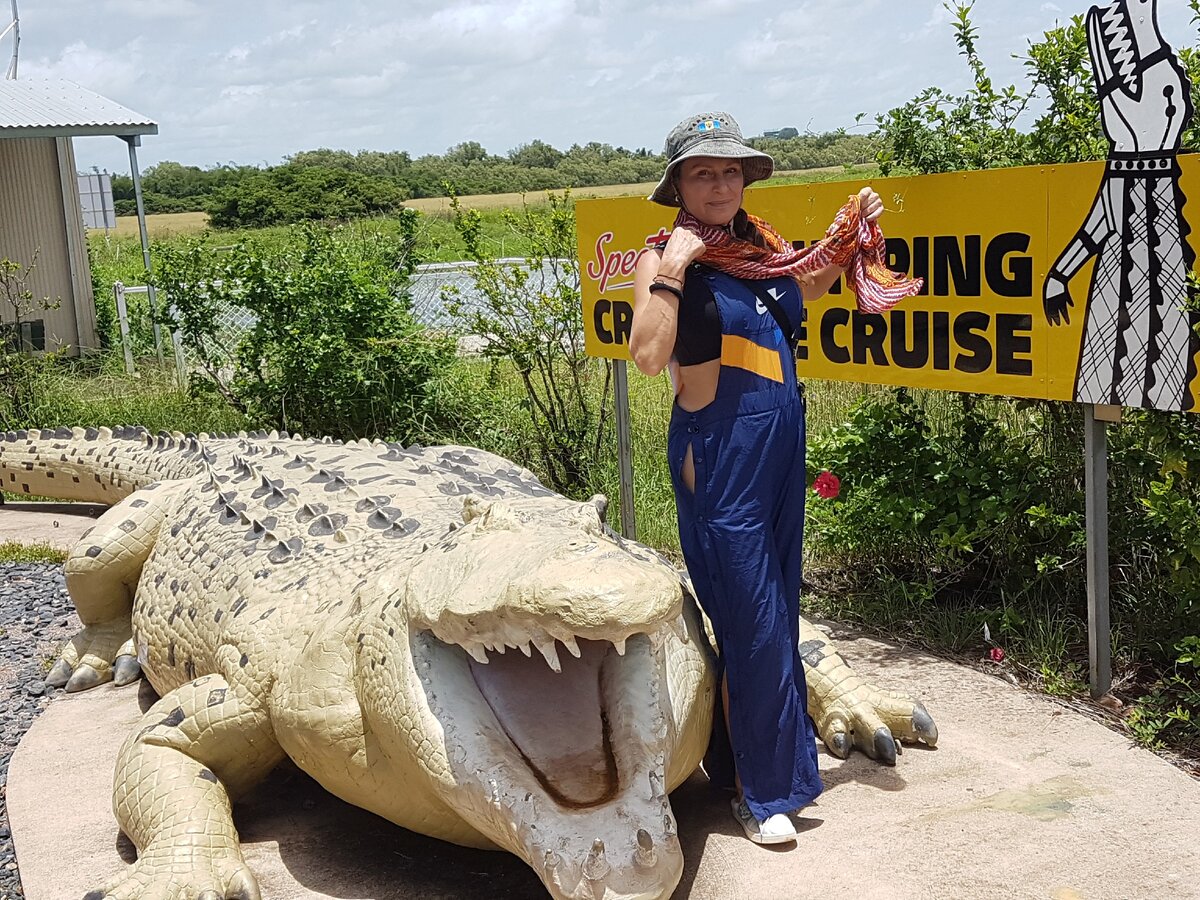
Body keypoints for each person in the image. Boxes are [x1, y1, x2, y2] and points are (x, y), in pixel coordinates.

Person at [629, 112, 920, 845]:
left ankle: (736, 767)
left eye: (730, 170)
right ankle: (766, 796)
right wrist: (675, 270)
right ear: (678, 186)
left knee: (773, 613)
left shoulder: (764, 249)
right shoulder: (663, 256)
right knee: (754, 621)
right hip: (719, 450)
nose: (721, 182)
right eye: (704, 172)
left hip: (782, 440)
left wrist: (848, 237)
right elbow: (646, 355)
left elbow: (804, 291)